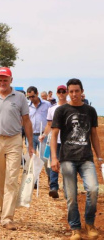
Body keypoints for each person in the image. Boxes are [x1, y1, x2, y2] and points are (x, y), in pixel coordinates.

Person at [0, 67, 34, 230]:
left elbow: (27, 121)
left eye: (5, 79)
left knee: (11, 179)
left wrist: (30, 144)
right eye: (0, 79)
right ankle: (4, 210)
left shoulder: (20, 97)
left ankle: (7, 217)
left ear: (11, 80)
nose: (2, 82)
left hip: (14, 141)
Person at [51, 78, 102, 240]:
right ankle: (75, 228)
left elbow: (94, 134)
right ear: (67, 92)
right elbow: (54, 136)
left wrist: (100, 156)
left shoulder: (90, 111)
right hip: (67, 158)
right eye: (70, 91)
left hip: (86, 158)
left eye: (76, 91)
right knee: (71, 195)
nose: (73, 94)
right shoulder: (61, 111)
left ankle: (90, 223)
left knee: (93, 189)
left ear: (82, 92)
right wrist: (53, 157)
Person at [39, 85, 68, 199]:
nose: (61, 93)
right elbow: (49, 125)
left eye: (63, 91)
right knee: (53, 164)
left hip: (68, 142)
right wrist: (44, 135)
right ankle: (54, 187)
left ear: (66, 93)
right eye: (59, 92)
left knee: (67, 166)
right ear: (56, 93)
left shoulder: (71, 107)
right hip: (55, 141)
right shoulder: (52, 109)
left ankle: (67, 188)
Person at [27, 86, 51, 187]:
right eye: (29, 97)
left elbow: (50, 120)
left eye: (33, 96)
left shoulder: (47, 105)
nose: (31, 99)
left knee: (44, 159)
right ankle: (34, 180)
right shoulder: (27, 106)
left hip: (43, 135)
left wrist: (46, 133)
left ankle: (51, 178)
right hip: (31, 135)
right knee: (32, 158)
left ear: (37, 93)